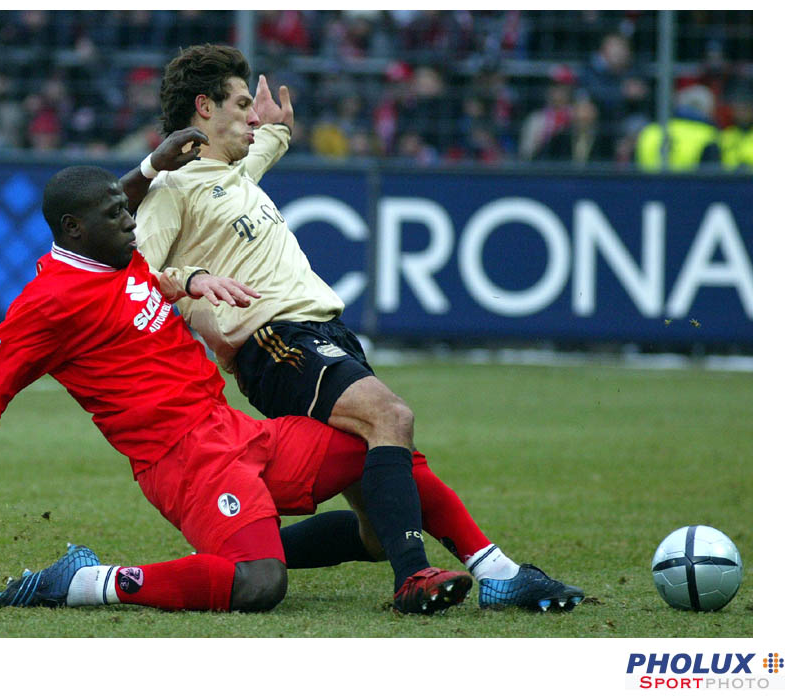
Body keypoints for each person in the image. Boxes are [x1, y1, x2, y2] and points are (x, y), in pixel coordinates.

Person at [0, 157, 474, 615]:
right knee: (260, 584)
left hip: (236, 431)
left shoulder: (119, 257)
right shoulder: (46, 305)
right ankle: (86, 581)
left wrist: (155, 182)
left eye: (128, 209)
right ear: (75, 228)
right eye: (117, 214)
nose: (131, 221)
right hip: (184, 461)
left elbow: (121, 216)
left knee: (379, 448)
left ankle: (429, 559)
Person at [128, 43, 583, 611]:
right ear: (203, 108)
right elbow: (132, 276)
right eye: (241, 103)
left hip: (323, 336)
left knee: (377, 522)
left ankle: (244, 558)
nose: (251, 113)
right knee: (391, 418)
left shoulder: (229, 174)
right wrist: (191, 279)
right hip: (279, 341)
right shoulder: (172, 189)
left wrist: (277, 131)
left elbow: (250, 160)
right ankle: (424, 578)